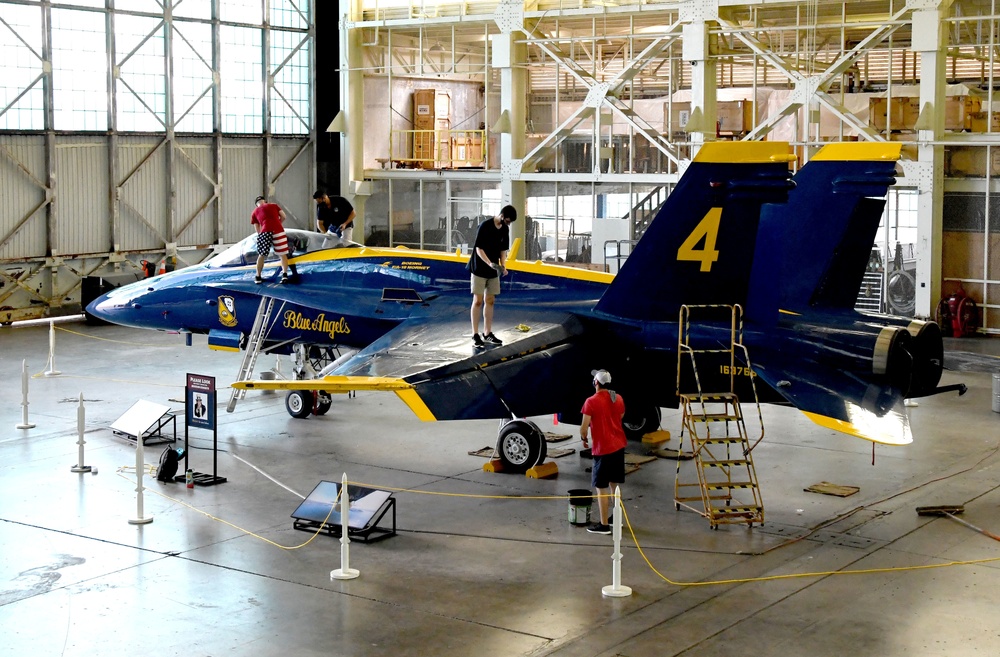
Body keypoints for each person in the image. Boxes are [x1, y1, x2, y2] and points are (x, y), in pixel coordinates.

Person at [579, 369, 627, 535]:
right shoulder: (618, 398)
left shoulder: (590, 402)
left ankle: (604, 525)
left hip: (603, 448)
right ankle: (616, 518)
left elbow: (584, 428)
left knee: (601, 487)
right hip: (619, 445)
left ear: (596, 383)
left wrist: (584, 438)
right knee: (614, 485)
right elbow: (620, 415)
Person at [468, 205, 517, 348]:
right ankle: (475, 334)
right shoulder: (485, 226)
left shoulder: (505, 229)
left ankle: (487, 333)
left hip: (494, 269)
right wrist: (490, 263)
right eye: (507, 220)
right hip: (479, 267)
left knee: (490, 299)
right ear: (502, 216)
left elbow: (503, 250)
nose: (508, 224)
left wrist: (503, 266)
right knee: (478, 300)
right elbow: (478, 249)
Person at [251, 195, 291, 284]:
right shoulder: (274, 205)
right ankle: (284, 275)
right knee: (282, 254)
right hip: (278, 230)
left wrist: (261, 235)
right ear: (265, 201)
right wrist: (278, 223)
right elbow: (284, 216)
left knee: (262, 254)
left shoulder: (255, 212)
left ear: (256, 204)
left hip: (265, 231)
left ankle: (258, 276)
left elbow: (257, 227)